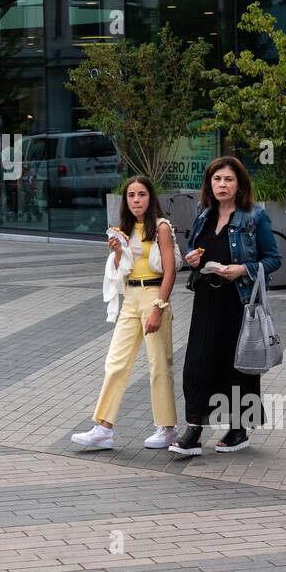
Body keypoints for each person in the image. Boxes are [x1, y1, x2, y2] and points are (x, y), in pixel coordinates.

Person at [168, 156, 282, 456]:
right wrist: (192, 257)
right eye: (217, 179)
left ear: (239, 184)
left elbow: (274, 259)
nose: (222, 185)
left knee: (239, 365)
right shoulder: (203, 213)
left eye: (228, 179)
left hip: (239, 301)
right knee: (198, 362)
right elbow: (196, 247)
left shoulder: (254, 217)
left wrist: (242, 270)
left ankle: (239, 429)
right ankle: (194, 428)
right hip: (207, 298)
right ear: (210, 184)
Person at [72, 176, 179, 451]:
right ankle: (103, 428)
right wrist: (118, 252)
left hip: (154, 296)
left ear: (150, 197)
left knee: (158, 365)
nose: (136, 200)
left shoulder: (162, 228)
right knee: (116, 362)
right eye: (131, 196)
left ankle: (167, 428)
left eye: (141, 195)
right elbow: (123, 270)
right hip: (130, 298)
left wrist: (159, 308)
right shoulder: (124, 230)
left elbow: (170, 271)